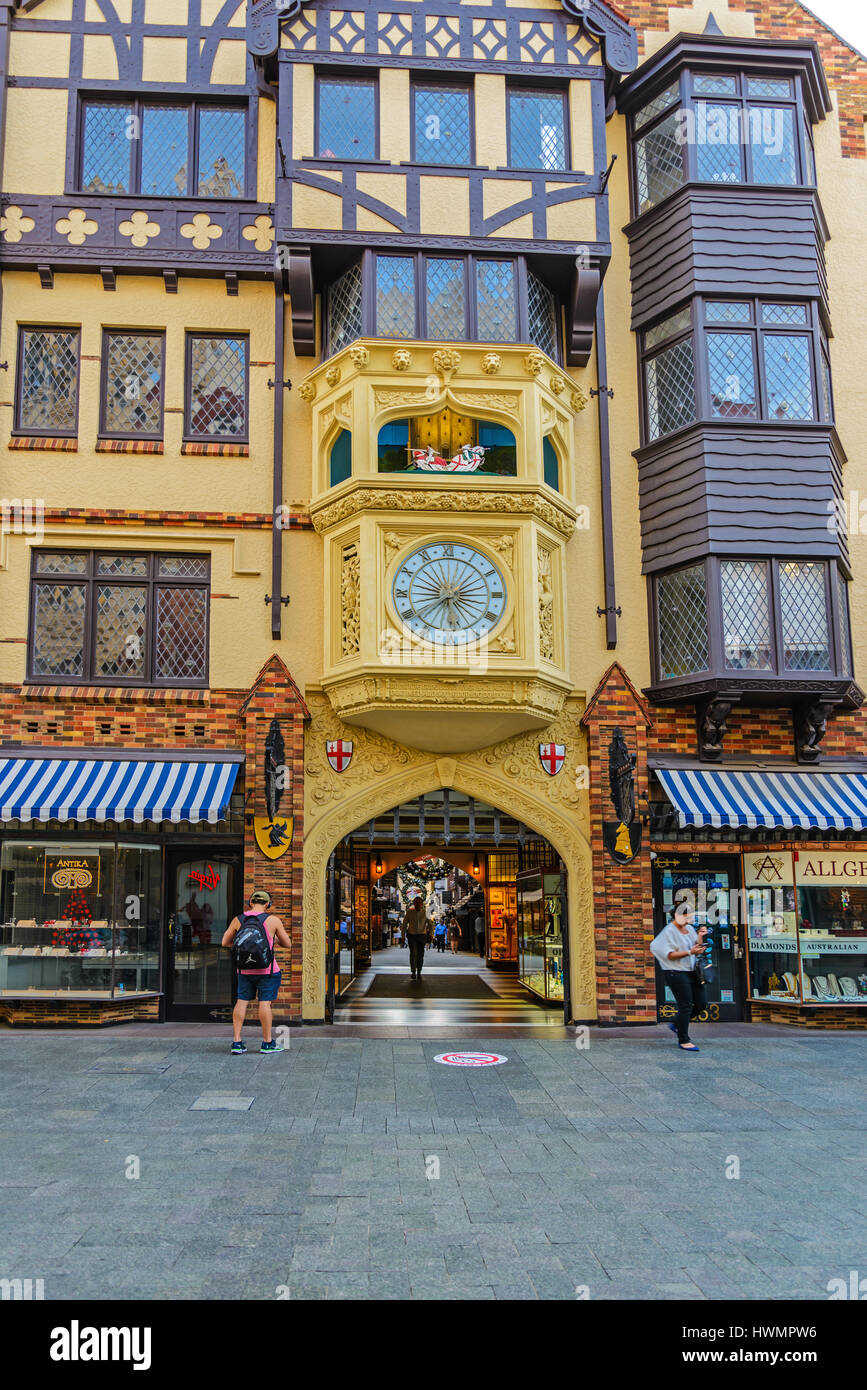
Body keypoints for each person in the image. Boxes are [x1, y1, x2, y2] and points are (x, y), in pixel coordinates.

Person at [222, 888, 291, 1055]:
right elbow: (287, 943)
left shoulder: (238, 920)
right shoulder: (273, 920)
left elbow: (225, 942)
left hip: (244, 970)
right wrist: (272, 941)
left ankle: (237, 1042)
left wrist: (243, 947)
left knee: (242, 1001)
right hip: (267, 970)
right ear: (268, 904)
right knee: (265, 1003)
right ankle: (267, 1043)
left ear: (250, 902)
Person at [650, 902, 708, 1053]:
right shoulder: (669, 932)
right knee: (686, 1005)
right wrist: (690, 952)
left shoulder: (688, 929)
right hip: (675, 972)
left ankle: (676, 1024)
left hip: (691, 971)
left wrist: (700, 937)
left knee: (701, 1004)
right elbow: (668, 954)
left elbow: (696, 945)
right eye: (688, 916)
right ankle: (684, 1040)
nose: (691, 918)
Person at [403, 896, 430, 980]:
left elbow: (431, 924)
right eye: (416, 903)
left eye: (419, 903)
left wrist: (431, 934)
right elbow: (404, 924)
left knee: (420, 955)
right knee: (414, 953)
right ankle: (413, 971)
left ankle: (419, 972)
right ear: (414, 904)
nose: (418, 904)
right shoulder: (409, 912)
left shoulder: (425, 912)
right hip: (412, 936)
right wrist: (403, 936)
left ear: (422, 904)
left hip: (422, 936)